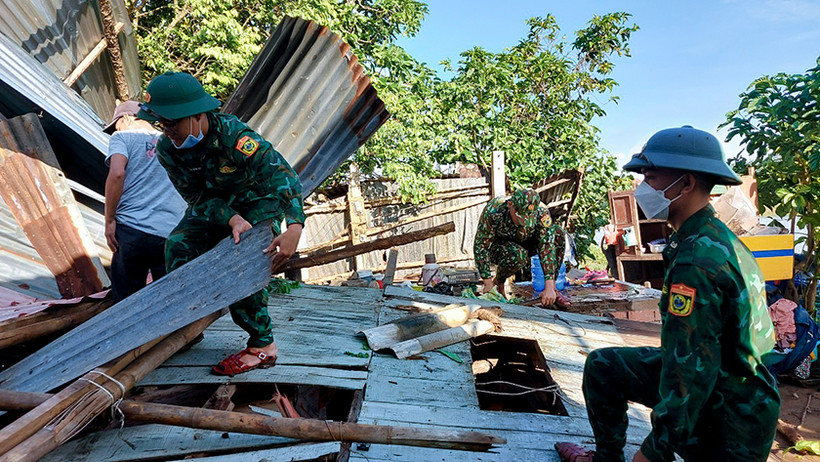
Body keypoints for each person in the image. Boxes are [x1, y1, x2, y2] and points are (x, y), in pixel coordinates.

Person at [555, 126, 780, 462]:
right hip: (722, 380)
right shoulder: (706, 237)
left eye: (651, 178)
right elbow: (689, 355)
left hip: (734, 417)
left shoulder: (697, 260)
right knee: (605, 366)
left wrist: (652, 451)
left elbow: (692, 370)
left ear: (686, 183)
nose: (642, 188)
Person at [137, 71, 305, 376]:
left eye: (172, 123)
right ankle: (189, 324)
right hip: (217, 207)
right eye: (162, 123)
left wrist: (294, 226)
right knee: (178, 246)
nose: (168, 131)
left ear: (197, 115)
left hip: (257, 201)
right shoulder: (167, 150)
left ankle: (263, 346)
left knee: (243, 257)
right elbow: (196, 198)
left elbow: (281, 174)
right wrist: (230, 218)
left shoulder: (234, 136)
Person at [103, 100, 186, 303]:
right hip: (168, 231)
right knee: (170, 298)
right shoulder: (171, 141)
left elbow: (117, 174)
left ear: (127, 118)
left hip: (130, 230)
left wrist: (109, 220)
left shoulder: (122, 137)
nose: (116, 130)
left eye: (117, 125)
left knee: (126, 302)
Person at [473, 188, 566, 307]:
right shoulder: (494, 209)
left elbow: (547, 246)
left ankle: (552, 290)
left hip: (527, 244)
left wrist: (549, 286)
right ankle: (498, 283)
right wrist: (487, 283)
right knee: (518, 254)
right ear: (510, 205)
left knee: (558, 234)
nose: (524, 224)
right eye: (520, 217)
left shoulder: (542, 212)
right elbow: (481, 245)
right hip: (500, 248)